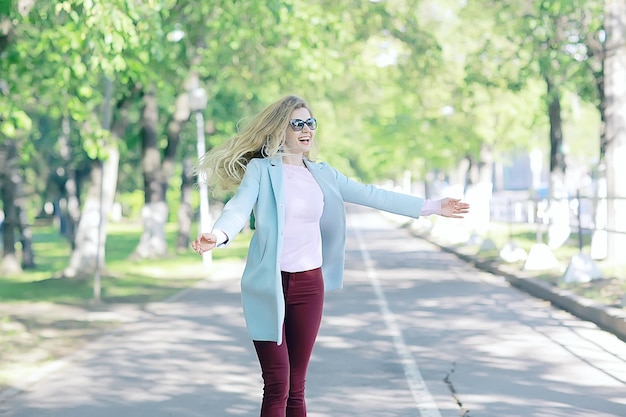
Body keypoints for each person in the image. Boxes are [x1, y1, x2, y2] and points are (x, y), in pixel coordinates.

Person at [191, 95, 470, 417]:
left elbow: (371, 194)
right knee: (278, 383)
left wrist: (433, 206)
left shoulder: (322, 173)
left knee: (297, 387)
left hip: (310, 284)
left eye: (310, 122)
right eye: (297, 123)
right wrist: (219, 235)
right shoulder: (261, 170)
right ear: (279, 130)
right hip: (269, 284)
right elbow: (237, 209)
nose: (306, 129)